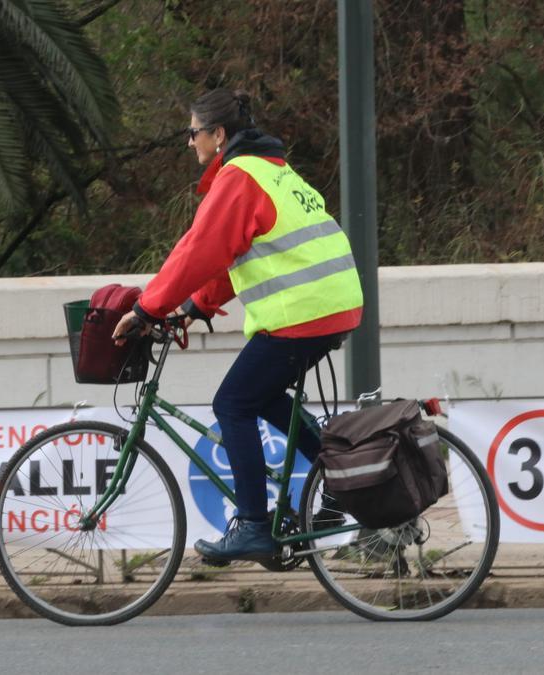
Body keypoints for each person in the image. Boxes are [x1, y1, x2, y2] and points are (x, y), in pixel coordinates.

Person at [112, 89, 363, 562]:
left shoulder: (238, 177)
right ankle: (336, 473)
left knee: (232, 403)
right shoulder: (272, 171)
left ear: (218, 134)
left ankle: (252, 524)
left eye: (193, 132)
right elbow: (238, 255)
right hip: (332, 303)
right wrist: (194, 307)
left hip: (304, 311)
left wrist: (148, 309)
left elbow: (198, 251)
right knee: (261, 396)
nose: (190, 143)